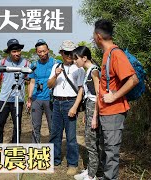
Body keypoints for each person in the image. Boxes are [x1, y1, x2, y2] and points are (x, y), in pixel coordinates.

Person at [93, 19, 139, 180]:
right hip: (106, 112)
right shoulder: (107, 54)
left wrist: (114, 96)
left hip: (114, 112)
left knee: (111, 152)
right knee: (106, 150)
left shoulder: (115, 54)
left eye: (93, 35)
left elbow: (133, 79)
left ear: (98, 36)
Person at [47, 40, 85, 175]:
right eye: (66, 52)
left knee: (71, 136)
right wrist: (56, 74)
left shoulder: (79, 68)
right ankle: (54, 160)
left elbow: (81, 90)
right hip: (56, 103)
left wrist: (75, 107)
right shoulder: (56, 66)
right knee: (55, 134)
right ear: (61, 53)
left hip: (71, 103)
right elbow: (49, 85)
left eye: (71, 52)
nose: (69, 55)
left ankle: (72, 163)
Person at [72, 46, 102, 180]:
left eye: (76, 58)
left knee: (92, 143)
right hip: (90, 108)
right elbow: (89, 95)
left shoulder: (94, 71)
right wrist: (86, 114)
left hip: (95, 109)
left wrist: (95, 116)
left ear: (84, 58)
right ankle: (90, 169)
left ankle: (92, 175)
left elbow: (99, 94)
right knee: (89, 141)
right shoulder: (88, 71)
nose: (74, 61)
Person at [0, 38, 29, 143]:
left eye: (18, 51)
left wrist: (29, 97)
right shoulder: (2, 62)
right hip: (4, 98)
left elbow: (30, 80)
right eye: (14, 51)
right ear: (9, 52)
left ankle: (15, 146)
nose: (17, 53)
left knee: (17, 125)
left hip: (19, 99)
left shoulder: (26, 63)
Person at [27, 39, 55, 143]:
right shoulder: (33, 65)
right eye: (39, 51)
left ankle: (53, 151)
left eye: (44, 51)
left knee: (52, 126)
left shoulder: (55, 63)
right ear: (36, 52)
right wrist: (29, 98)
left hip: (50, 99)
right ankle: (35, 150)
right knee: (35, 127)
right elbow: (32, 82)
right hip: (36, 99)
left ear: (48, 50)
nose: (42, 53)